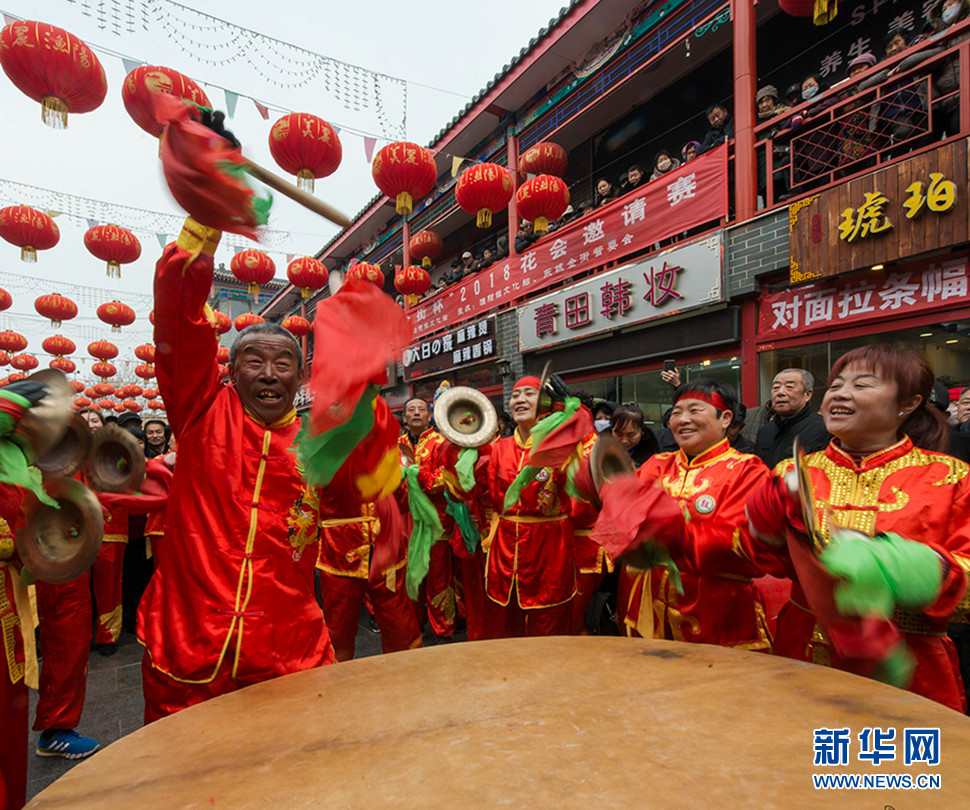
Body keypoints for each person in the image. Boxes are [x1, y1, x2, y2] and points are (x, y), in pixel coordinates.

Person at [138, 217, 338, 723]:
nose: (268, 374)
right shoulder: (200, 408)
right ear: (230, 369)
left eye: (282, 364)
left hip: (285, 648)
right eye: (253, 361)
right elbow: (178, 321)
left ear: (300, 375)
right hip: (189, 640)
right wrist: (202, 227)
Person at [745, 346, 970, 712]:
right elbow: (766, 565)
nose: (840, 393)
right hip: (801, 653)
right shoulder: (793, 471)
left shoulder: (949, 477)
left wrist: (905, 567)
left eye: (861, 384)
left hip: (911, 664)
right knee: (797, 760)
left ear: (908, 403)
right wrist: (763, 529)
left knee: (894, 766)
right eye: (836, 384)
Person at [601, 379, 773, 648]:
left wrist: (669, 532)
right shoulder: (656, 465)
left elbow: (747, 544)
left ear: (725, 418)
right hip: (644, 604)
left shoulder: (748, 471)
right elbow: (615, 514)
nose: (683, 420)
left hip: (713, 611)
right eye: (677, 412)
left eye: (695, 410)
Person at [399, 397, 455, 640]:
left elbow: (445, 481)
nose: (416, 413)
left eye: (421, 409)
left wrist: (419, 475)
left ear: (430, 416)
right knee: (410, 577)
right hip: (404, 523)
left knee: (438, 578)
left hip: (435, 522)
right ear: (404, 418)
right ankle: (413, 626)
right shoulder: (395, 444)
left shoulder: (441, 443)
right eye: (411, 410)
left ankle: (444, 629)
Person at [755, 368, 830, 469]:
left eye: (789, 387)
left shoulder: (822, 428)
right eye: (776, 387)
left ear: (807, 394)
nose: (780, 393)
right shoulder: (765, 431)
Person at [610, 402, 659, 468]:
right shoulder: (598, 454)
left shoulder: (654, 461)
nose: (624, 441)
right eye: (619, 434)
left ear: (641, 431)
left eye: (631, 434)